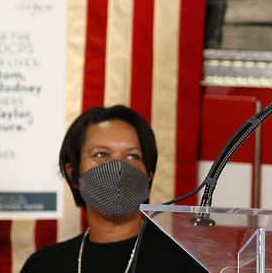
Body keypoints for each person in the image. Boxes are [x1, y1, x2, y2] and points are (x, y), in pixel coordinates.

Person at [21, 105, 206, 273]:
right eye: (101, 154)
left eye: (133, 156)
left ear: (148, 176)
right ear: (74, 175)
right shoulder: (43, 265)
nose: (118, 168)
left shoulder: (186, 263)